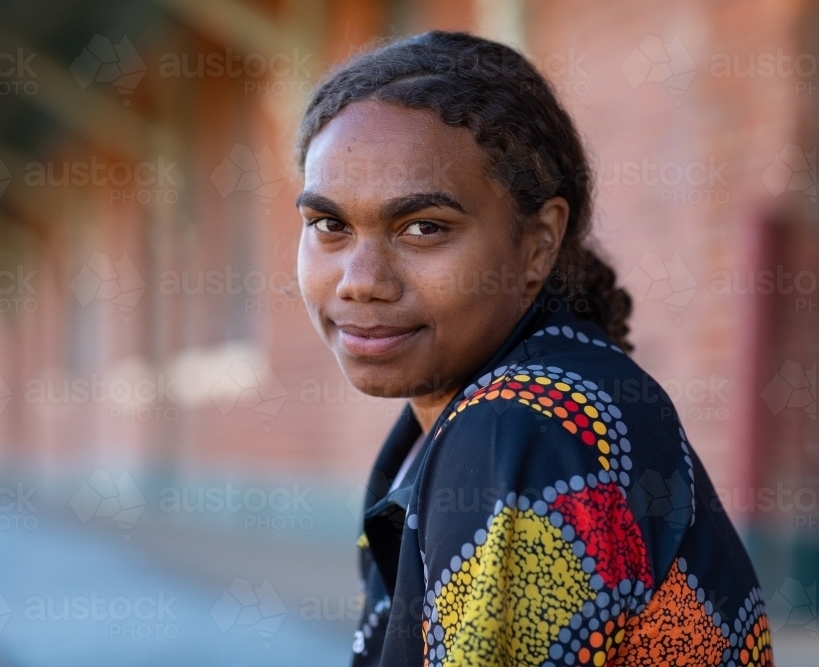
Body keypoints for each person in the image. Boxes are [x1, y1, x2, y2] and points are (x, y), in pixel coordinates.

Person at [294, 31, 771, 667]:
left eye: (424, 228)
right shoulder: (522, 404)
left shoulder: (517, 428)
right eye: (330, 225)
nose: (360, 280)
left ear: (539, 242)